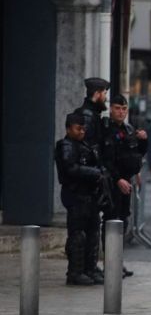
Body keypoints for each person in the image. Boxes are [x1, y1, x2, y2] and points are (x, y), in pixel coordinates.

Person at [100, 95, 147, 278]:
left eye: (124, 109)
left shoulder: (128, 129)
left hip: (126, 182)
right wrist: (118, 178)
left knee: (123, 222)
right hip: (111, 183)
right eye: (118, 108)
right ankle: (109, 264)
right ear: (111, 109)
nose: (121, 112)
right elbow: (106, 159)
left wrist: (143, 141)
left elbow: (135, 155)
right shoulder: (105, 129)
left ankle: (117, 262)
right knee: (111, 222)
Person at [54, 113, 104, 286]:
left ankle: (89, 268)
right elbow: (70, 168)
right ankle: (75, 272)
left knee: (92, 233)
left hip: (89, 196)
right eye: (78, 128)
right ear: (69, 128)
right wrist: (94, 173)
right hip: (75, 195)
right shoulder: (65, 145)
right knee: (78, 235)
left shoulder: (85, 145)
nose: (82, 131)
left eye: (83, 128)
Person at [73, 77, 110, 148]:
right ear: (97, 94)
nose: (106, 98)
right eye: (104, 93)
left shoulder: (94, 114)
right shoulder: (87, 116)